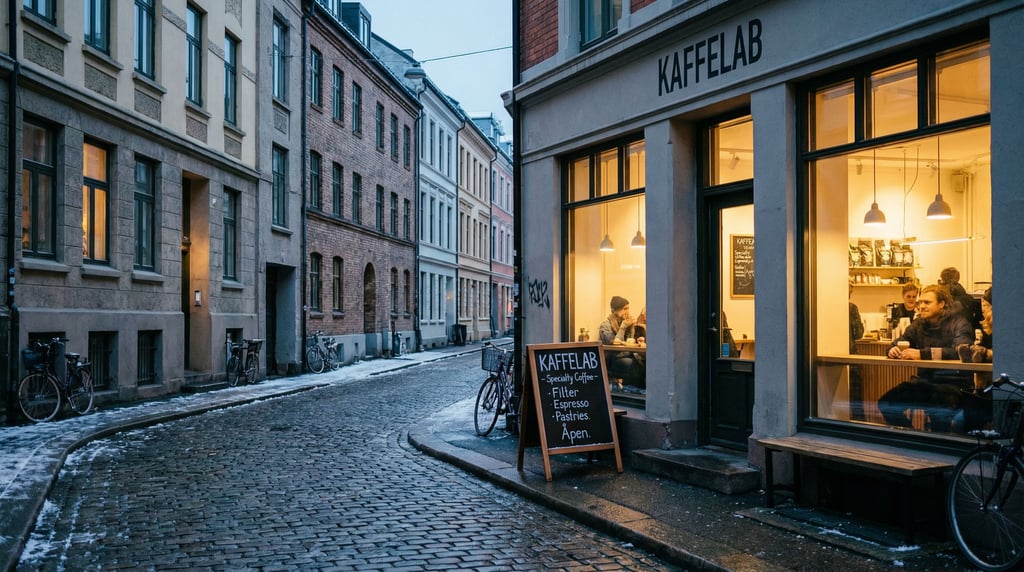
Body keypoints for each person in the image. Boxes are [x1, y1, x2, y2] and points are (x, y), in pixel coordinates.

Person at [877, 284, 974, 432]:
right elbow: (898, 341)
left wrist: (922, 354)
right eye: (920, 302)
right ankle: (911, 438)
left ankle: (937, 447)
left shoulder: (959, 323)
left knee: (938, 415)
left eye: (927, 302)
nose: (921, 306)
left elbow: (960, 352)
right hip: (925, 383)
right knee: (886, 403)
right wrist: (892, 350)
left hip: (954, 384)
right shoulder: (919, 325)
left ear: (941, 304)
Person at [599, 296, 646, 391]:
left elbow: (630, 341)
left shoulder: (625, 323)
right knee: (632, 364)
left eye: (628, 308)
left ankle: (636, 389)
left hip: (626, 355)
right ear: (615, 310)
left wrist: (631, 328)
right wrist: (623, 328)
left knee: (644, 362)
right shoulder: (605, 325)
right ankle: (630, 389)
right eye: (625, 309)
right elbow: (615, 344)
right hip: (612, 359)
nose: (627, 312)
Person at [849, 284, 865, 420]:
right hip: (851, 353)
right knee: (855, 394)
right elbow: (859, 333)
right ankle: (858, 422)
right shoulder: (851, 308)